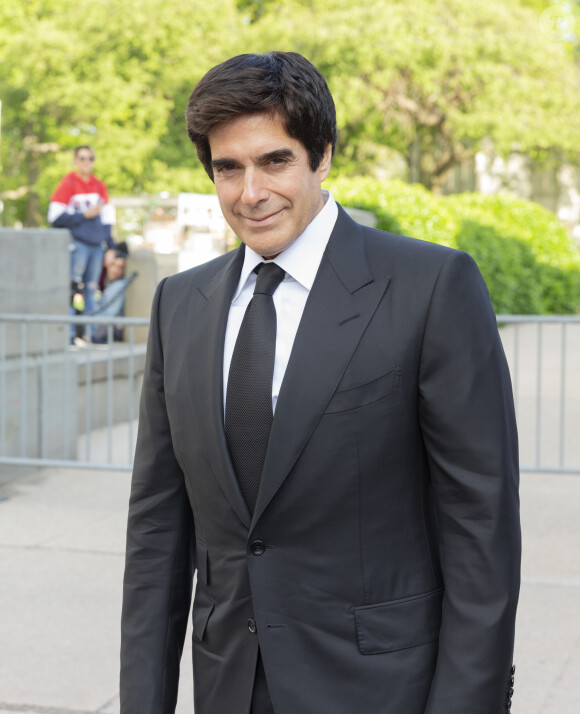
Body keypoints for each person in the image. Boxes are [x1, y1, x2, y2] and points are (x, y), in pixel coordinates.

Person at [120, 52, 520, 714]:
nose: (251, 192)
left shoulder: (431, 287)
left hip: (381, 690)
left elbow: (480, 528)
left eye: (274, 161)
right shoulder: (178, 306)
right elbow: (157, 531)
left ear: (322, 156)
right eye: (228, 168)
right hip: (227, 686)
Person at [48, 146, 116, 342]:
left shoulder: (99, 185)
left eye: (90, 158)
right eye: (82, 158)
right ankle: (68, 334)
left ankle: (92, 333)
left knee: (91, 289)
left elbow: (107, 218)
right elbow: (55, 216)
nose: (86, 162)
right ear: (76, 160)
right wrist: (83, 215)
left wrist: (110, 246)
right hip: (77, 245)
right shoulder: (68, 183)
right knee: (71, 288)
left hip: (97, 245)